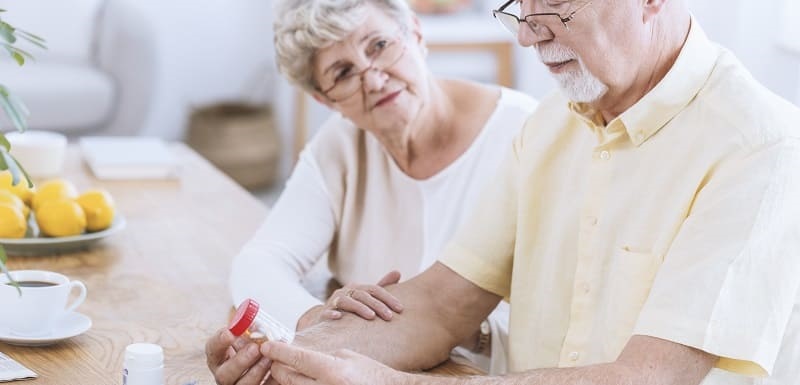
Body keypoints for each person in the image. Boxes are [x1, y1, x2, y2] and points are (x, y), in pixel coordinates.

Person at [221, 0, 800, 384]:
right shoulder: (550, 126)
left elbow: (646, 377)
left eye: (556, 3)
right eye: (520, 6)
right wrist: (275, 352)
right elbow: (442, 303)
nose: (526, 34)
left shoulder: (761, 144)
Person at [206, 0, 538, 381]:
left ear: (415, 33)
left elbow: (562, 317)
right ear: (325, 100)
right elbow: (258, 262)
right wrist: (318, 320)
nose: (375, 80)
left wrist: (470, 329)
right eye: (343, 72)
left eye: (379, 46)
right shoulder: (340, 147)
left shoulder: (523, 132)